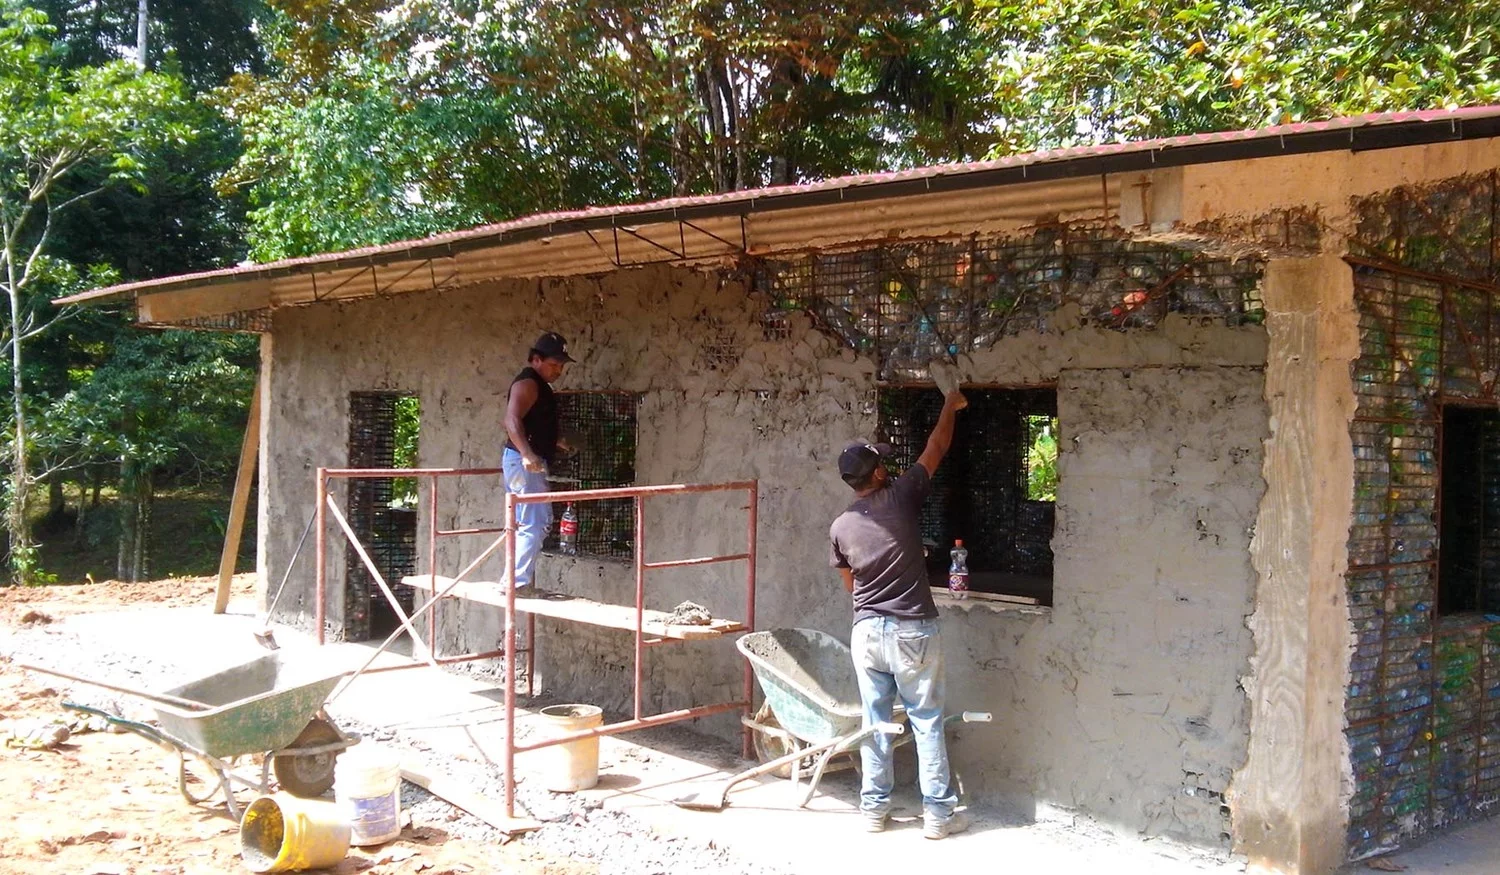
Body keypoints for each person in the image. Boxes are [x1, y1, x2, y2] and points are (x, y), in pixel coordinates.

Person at [828, 387, 969, 839]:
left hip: (867, 632)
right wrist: (951, 403)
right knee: (925, 720)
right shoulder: (903, 496)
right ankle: (938, 817)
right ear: (881, 471)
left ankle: (873, 810)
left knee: (876, 721)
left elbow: (850, 584)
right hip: (913, 630)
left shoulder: (841, 526)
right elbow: (937, 446)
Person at [502, 331, 574, 588]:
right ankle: (516, 583)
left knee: (524, 522)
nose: (558, 371)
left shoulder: (538, 386)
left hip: (523, 459)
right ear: (535, 360)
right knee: (536, 522)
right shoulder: (528, 383)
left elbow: (533, 424)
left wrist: (555, 441)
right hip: (524, 462)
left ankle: (513, 579)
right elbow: (511, 420)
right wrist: (527, 454)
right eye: (554, 365)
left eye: (561, 366)